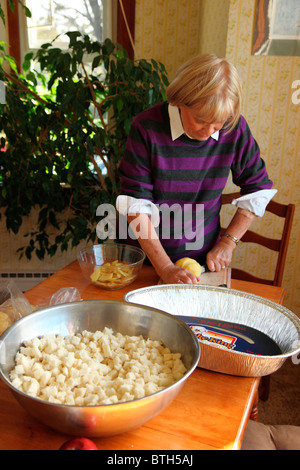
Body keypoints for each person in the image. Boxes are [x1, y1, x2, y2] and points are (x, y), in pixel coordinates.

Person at [116, 54, 276, 285]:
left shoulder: (234, 127)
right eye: (201, 120)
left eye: (219, 121)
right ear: (180, 100)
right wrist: (165, 267)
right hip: (144, 261)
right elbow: (136, 205)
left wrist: (228, 242)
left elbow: (257, 189)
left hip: (200, 263)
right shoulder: (146, 127)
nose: (210, 130)